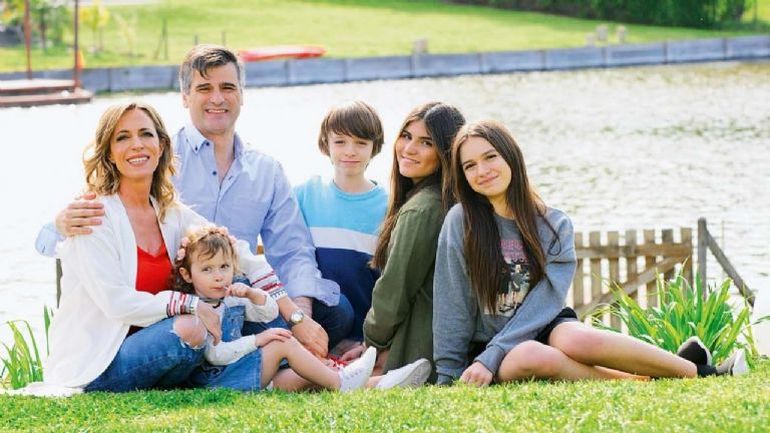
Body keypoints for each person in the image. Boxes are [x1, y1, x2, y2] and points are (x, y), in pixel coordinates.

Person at [35, 44, 349, 357]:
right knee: (224, 325)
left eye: (228, 87)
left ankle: (299, 353)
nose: (217, 98)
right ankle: (272, 359)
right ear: (185, 96)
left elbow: (291, 251)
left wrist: (300, 316)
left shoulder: (266, 170)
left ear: (242, 94)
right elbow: (63, 237)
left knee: (337, 312)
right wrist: (60, 224)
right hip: (187, 300)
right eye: (204, 88)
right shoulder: (153, 158)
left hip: (244, 291)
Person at [432, 120, 749, 386]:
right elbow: (451, 300)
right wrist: (449, 371)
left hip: (544, 323)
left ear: (511, 156)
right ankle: (641, 381)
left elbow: (547, 300)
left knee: (577, 339)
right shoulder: (461, 222)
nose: (482, 170)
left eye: (490, 157)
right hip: (491, 349)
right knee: (531, 355)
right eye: (470, 166)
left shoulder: (553, 224)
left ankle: (702, 371)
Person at [37, 102, 280, 393]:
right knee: (192, 327)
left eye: (145, 134)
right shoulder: (94, 215)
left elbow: (233, 246)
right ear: (109, 153)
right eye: (122, 137)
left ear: (161, 145)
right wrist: (191, 304)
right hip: (103, 361)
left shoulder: (169, 212)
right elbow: (116, 302)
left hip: (163, 344)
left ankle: (284, 363)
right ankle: (243, 377)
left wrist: (290, 310)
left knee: (234, 285)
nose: (137, 145)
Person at [172, 225, 377, 392]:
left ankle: (368, 381)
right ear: (187, 275)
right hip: (218, 379)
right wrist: (258, 339)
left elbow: (268, 313)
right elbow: (216, 355)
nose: (218, 276)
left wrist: (253, 295)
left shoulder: (230, 300)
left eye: (224, 267)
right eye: (207, 269)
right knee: (282, 342)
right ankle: (341, 383)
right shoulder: (197, 310)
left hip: (241, 370)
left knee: (307, 375)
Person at [361, 102, 466, 384]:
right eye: (406, 136)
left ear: (446, 153)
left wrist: (371, 344)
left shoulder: (422, 210)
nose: (408, 149)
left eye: (426, 143)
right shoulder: (446, 201)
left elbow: (394, 292)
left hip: (419, 350)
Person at [293, 101, 388, 355]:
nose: (350, 151)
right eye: (340, 142)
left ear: (375, 147)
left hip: (362, 338)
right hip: (318, 326)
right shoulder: (304, 195)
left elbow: (389, 285)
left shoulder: (389, 206)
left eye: (361, 143)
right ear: (326, 143)